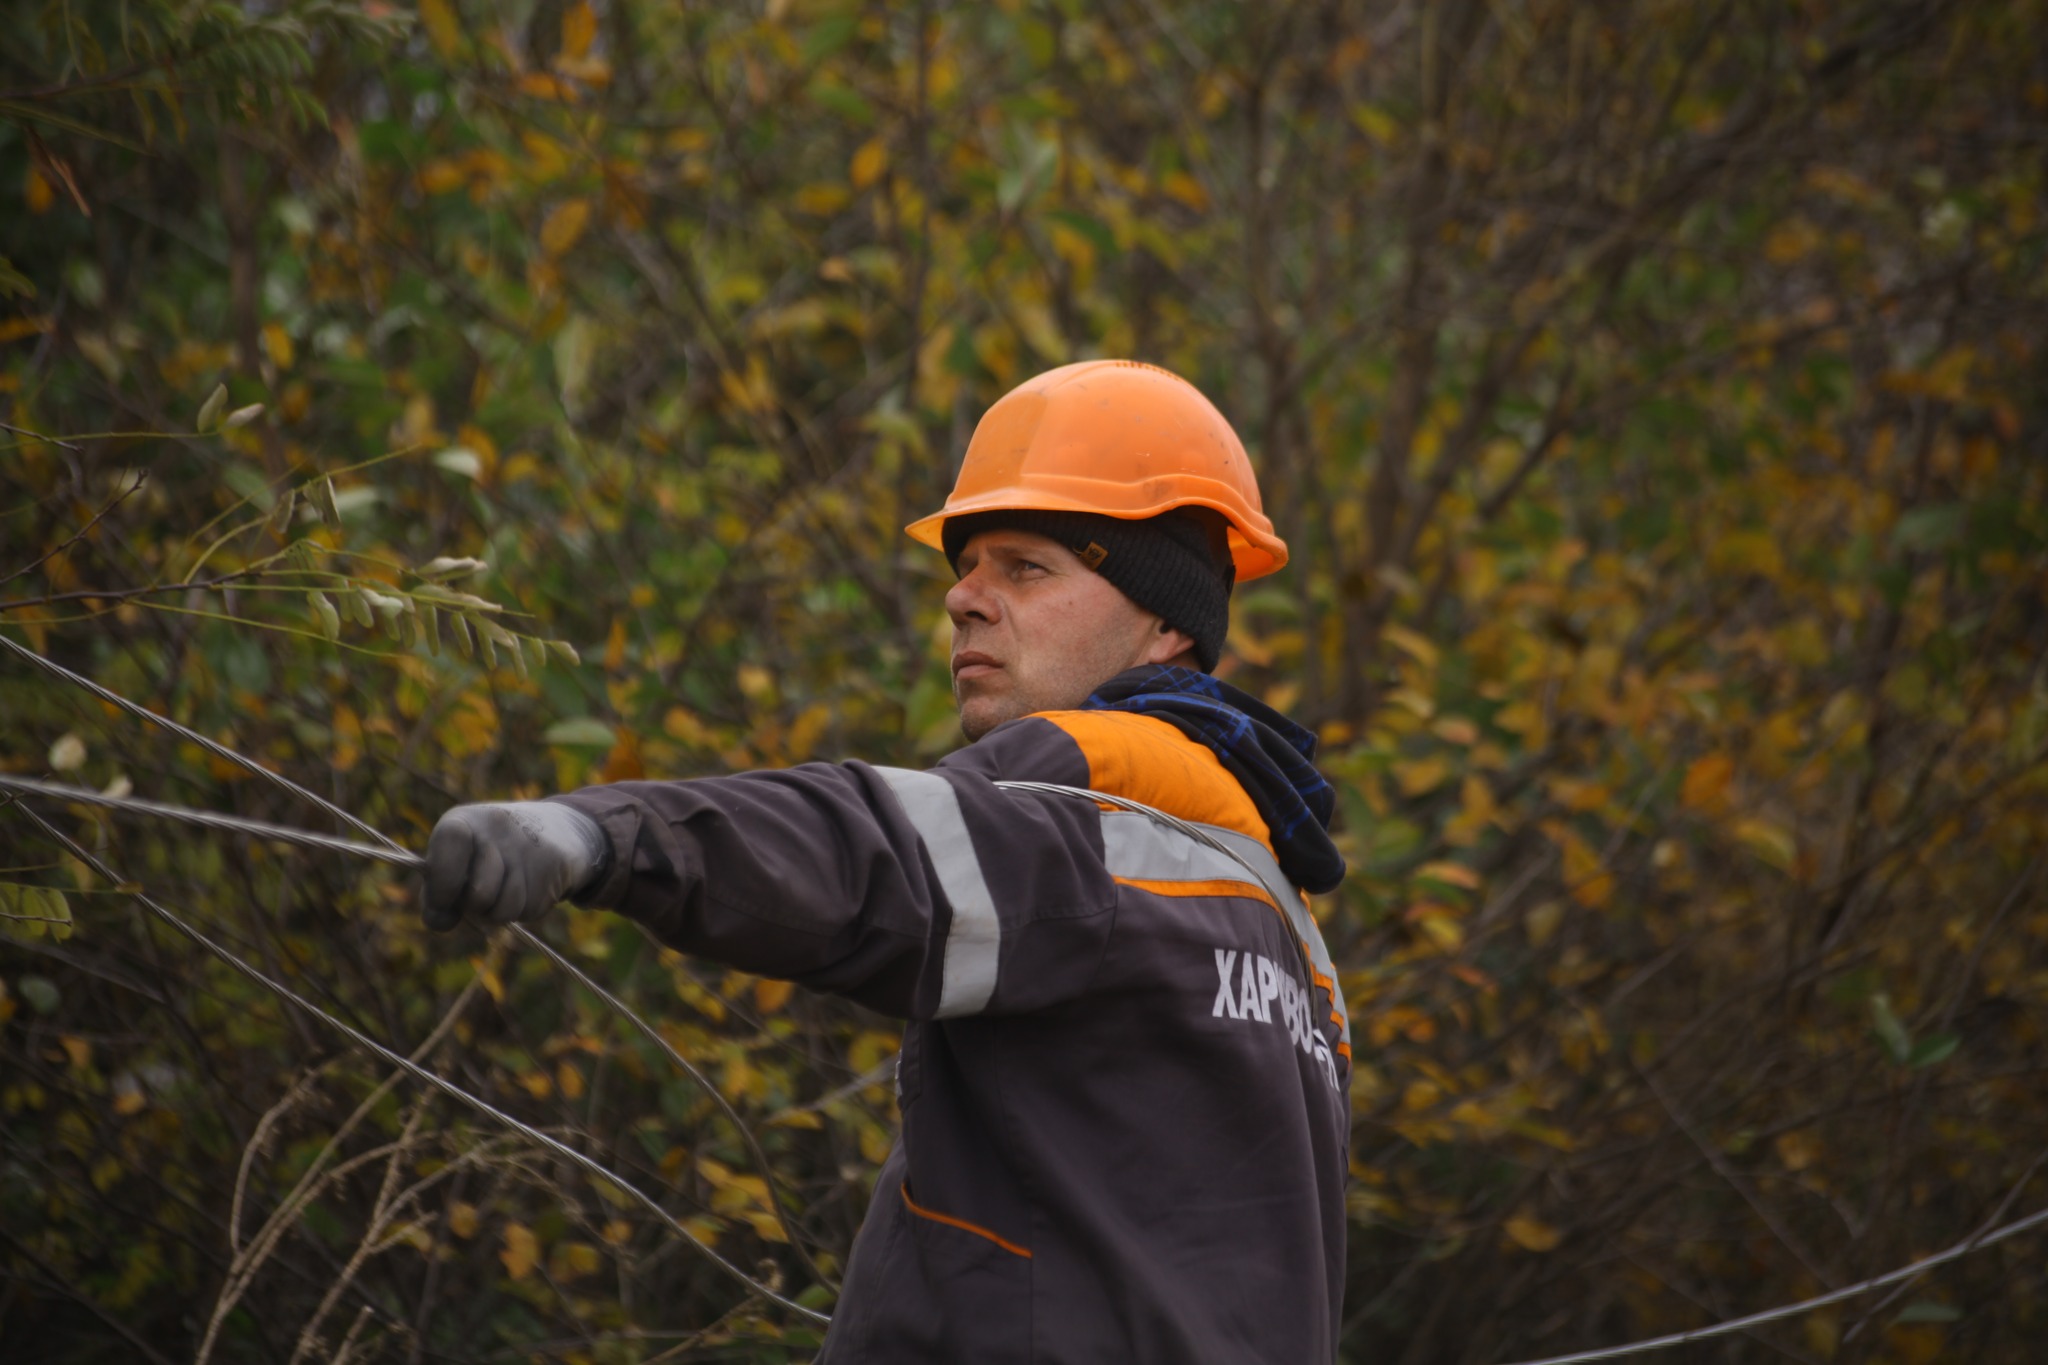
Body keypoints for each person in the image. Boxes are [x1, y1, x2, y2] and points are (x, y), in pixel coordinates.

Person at [423, 359, 1352, 1363]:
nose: (963, 599)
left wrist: (601, 835)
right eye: (964, 566)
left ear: (1164, 619)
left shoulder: (1095, 778)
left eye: (1022, 567)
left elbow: (869, 849)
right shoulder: (1287, 927)